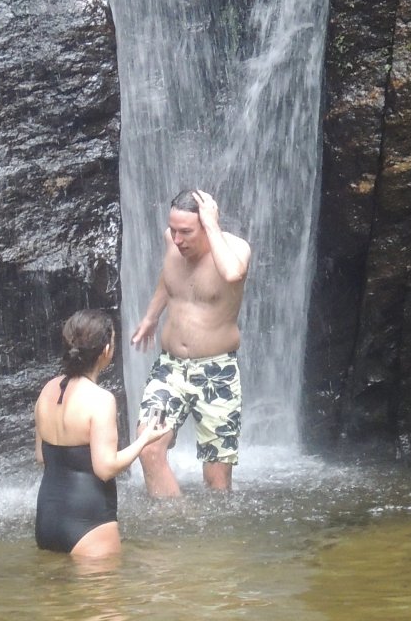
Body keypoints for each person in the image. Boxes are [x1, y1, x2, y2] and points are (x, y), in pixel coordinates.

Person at [130, 189, 252, 497]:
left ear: (208, 224)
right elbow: (168, 278)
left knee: (217, 476)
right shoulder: (172, 242)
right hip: (169, 371)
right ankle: (174, 523)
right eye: (173, 230)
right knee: (148, 447)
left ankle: (213, 540)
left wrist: (212, 225)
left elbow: (233, 273)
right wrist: (151, 316)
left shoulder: (235, 249)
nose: (178, 239)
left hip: (217, 374)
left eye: (186, 232)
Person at [35, 309, 171, 558]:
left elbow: (42, 456)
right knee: (104, 596)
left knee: (55, 597)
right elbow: (105, 467)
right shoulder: (101, 400)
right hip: (89, 521)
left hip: (47, 518)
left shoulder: (47, 390)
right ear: (106, 350)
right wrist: (145, 439)